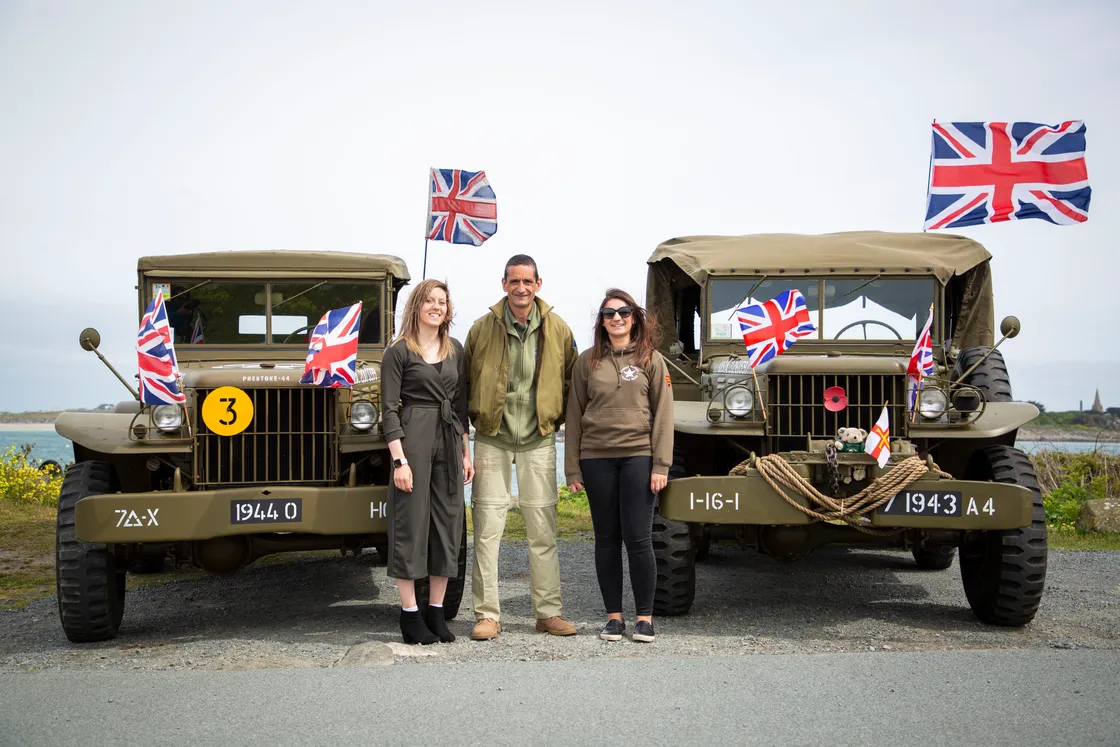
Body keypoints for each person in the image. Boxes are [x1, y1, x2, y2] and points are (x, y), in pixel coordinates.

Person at [464, 254, 579, 641]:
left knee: (542, 531)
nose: (521, 288)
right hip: (491, 439)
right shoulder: (482, 329)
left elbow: (570, 379)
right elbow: (465, 380)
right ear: (503, 284)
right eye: (514, 281)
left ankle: (547, 613)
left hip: (539, 441)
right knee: (487, 530)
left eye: (527, 281)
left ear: (538, 284)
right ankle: (487, 615)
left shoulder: (558, 329)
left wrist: (553, 419)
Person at [564, 288, 674, 643]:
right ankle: (614, 617)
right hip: (596, 459)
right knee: (607, 540)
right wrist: (572, 470)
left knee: (639, 538)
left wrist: (661, 464)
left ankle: (644, 617)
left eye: (623, 312)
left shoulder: (651, 360)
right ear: (601, 321)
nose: (616, 318)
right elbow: (574, 417)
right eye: (609, 314)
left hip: (638, 457)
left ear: (634, 317)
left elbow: (664, 416)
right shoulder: (587, 361)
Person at [380, 279, 474, 645]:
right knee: (411, 525)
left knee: (448, 524)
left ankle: (436, 611)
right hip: (413, 438)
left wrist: (466, 452)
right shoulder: (399, 351)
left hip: (449, 440)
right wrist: (399, 461)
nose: (437, 306)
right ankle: (409, 614)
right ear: (417, 306)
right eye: (430, 301)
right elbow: (388, 411)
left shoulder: (456, 350)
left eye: (442, 302)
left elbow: (461, 407)